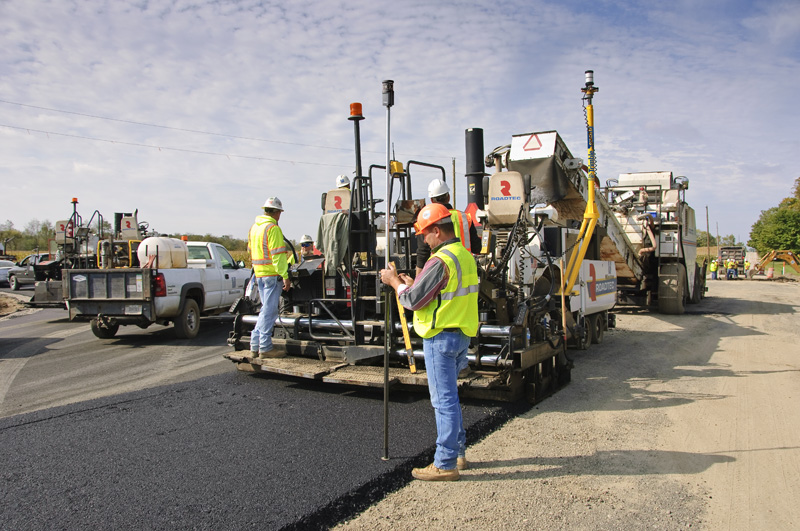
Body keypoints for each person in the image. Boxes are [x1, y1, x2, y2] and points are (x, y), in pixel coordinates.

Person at [380, 203, 479, 482]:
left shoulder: (440, 259)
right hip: (460, 335)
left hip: (440, 337)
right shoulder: (464, 256)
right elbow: (443, 293)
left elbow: (412, 301)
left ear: (437, 230)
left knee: (443, 401)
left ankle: (445, 463)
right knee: (452, 399)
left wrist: (394, 283)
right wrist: (414, 282)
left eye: (426, 234)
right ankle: (458, 453)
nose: (424, 240)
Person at [248, 197, 291, 358]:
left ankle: (255, 344)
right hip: (272, 275)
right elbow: (278, 256)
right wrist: (285, 276)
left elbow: (250, 250)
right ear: (277, 213)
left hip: (259, 274)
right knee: (270, 311)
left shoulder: (254, 228)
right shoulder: (272, 228)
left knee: (265, 310)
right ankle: (265, 347)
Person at [415, 179, 481, 276]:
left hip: (441, 271)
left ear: (432, 200)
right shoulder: (465, 218)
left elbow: (422, 254)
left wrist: (417, 283)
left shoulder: (429, 220)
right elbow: (476, 248)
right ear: (448, 197)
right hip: (467, 270)